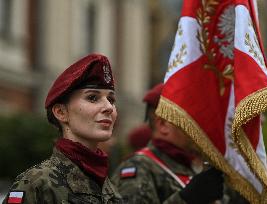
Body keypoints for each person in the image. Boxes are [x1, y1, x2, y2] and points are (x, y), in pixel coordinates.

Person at [3, 54, 124, 203]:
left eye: (111, 99)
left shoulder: (110, 191)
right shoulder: (37, 185)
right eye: (92, 97)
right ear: (61, 112)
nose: (108, 107)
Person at [111, 83, 224, 204]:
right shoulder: (139, 168)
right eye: (193, 119)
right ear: (163, 125)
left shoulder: (189, 166)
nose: (202, 126)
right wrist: (188, 199)